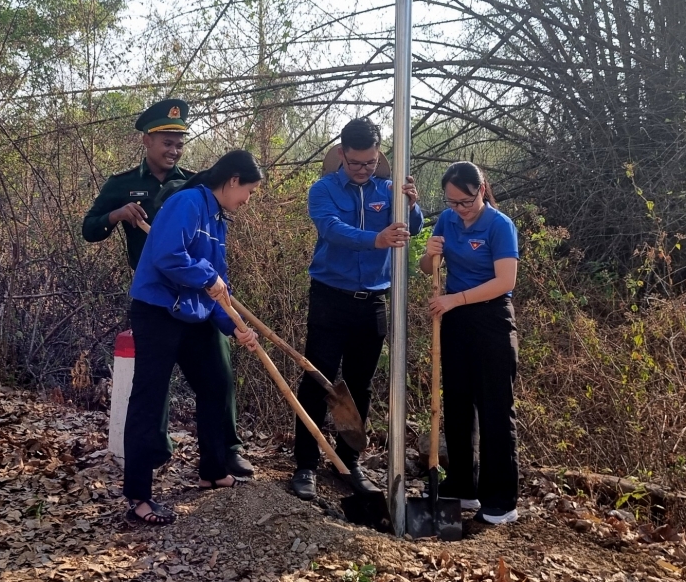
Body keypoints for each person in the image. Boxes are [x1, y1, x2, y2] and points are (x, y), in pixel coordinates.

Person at [82, 99, 254, 479]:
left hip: (198, 298)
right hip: (158, 295)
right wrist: (116, 215)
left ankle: (225, 452)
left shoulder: (194, 186)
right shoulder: (123, 184)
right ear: (148, 140)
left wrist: (234, 320)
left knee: (218, 376)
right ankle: (152, 457)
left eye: (180, 144)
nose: (174, 151)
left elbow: (211, 253)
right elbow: (90, 229)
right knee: (153, 388)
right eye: (167, 143)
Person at [122, 150, 263, 525]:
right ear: (233, 180)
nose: (247, 200)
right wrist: (207, 277)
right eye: (248, 191)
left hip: (194, 313)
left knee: (217, 383)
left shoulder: (219, 219)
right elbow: (169, 257)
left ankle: (213, 471)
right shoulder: (186, 202)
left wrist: (236, 326)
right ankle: (139, 497)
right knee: (149, 397)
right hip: (159, 311)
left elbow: (219, 289)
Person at [290, 118, 423, 501]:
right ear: (342, 155)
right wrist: (376, 239)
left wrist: (412, 205)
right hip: (331, 298)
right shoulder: (323, 190)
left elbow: (409, 228)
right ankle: (305, 465)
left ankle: (349, 461)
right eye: (355, 163)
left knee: (361, 386)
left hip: (374, 303)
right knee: (318, 380)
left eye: (370, 162)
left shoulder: (389, 189)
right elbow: (331, 229)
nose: (363, 169)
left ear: (379, 155)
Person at [418, 161, 520, 525]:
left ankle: (501, 499)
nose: (459, 209)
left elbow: (505, 281)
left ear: (482, 190)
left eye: (465, 201)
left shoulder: (499, 225)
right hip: (455, 321)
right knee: (458, 404)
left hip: (491, 318)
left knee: (494, 406)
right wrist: (429, 254)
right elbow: (426, 269)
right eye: (452, 202)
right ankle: (464, 485)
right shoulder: (446, 220)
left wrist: (455, 300)